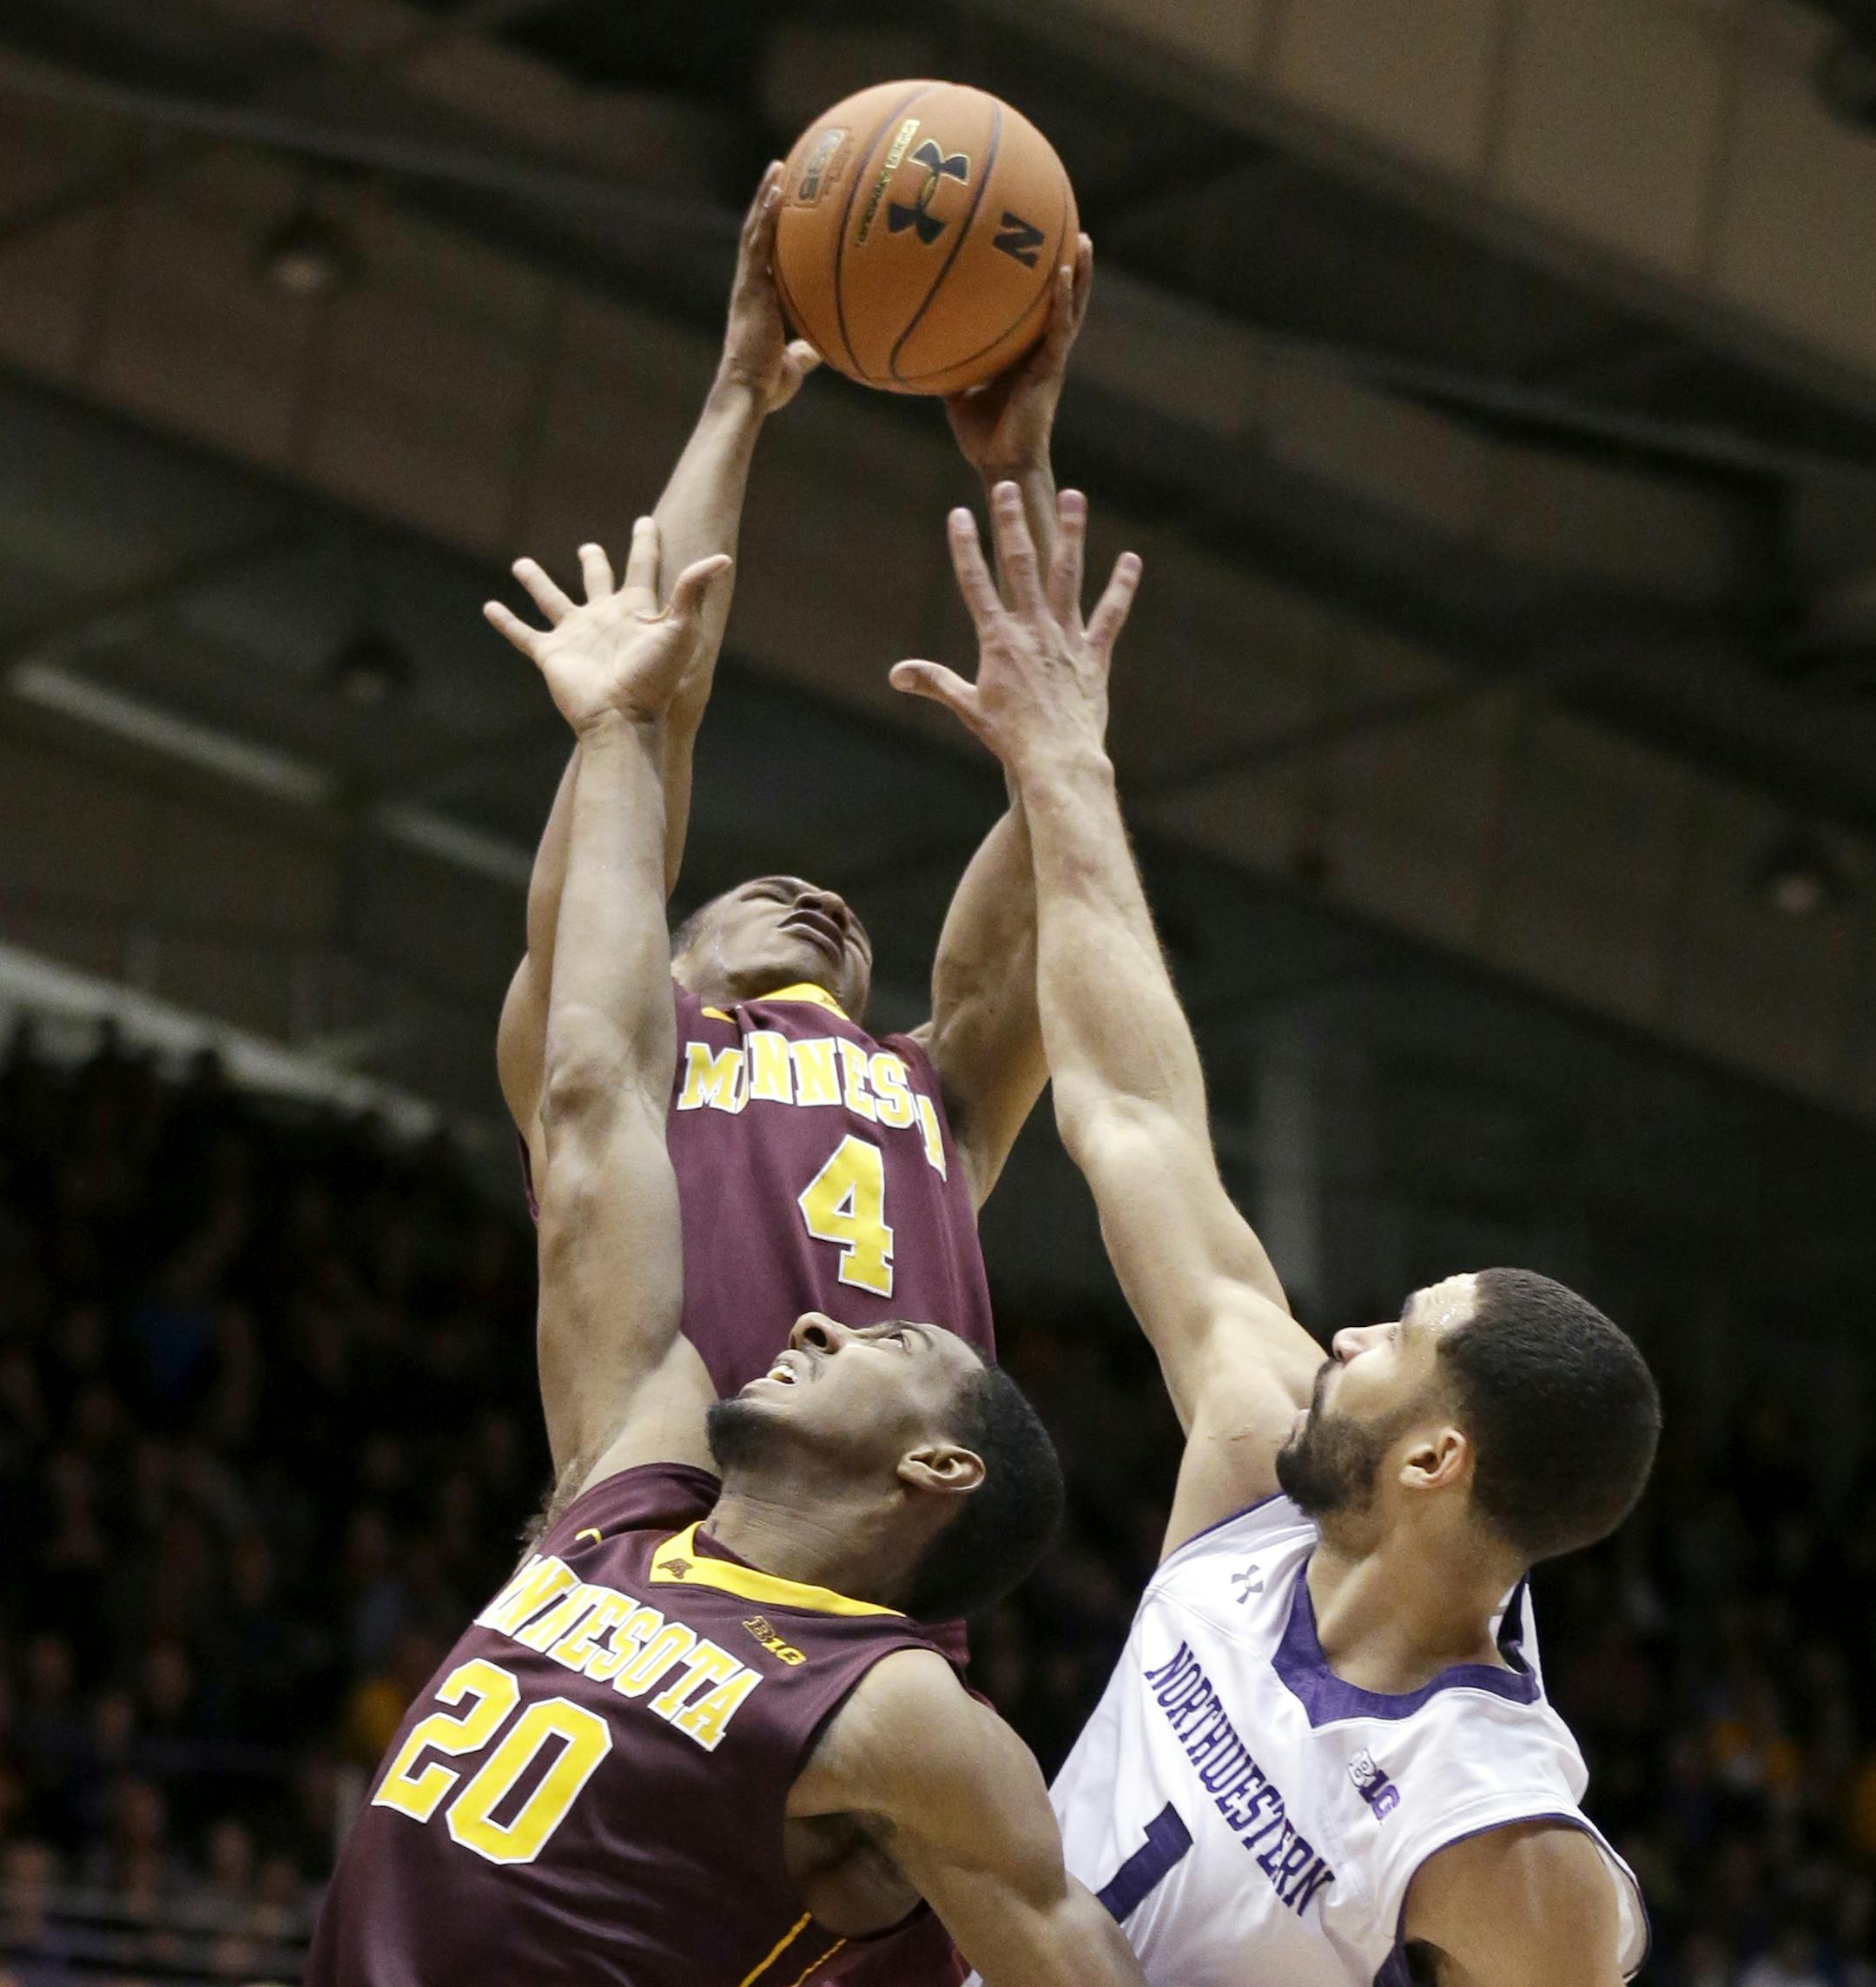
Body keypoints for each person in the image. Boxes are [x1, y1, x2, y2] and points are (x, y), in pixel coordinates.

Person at [307, 520, 1150, 1987]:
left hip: (864, 1626)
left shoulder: (895, 1725)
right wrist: (624, 727)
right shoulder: (632, 1484)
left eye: (875, 1338)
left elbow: (1004, 993)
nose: (812, 1331)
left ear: (941, 1460)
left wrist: (1060, 766)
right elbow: (588, 1073)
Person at [892, 483, 1660, 1986]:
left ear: (1438, 1459)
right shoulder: (1259, 1460)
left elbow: (1585, 1945)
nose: (1354, 1332)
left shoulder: (1496, 1823)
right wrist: (1065, 768)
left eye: (1405, 1337)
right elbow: (1136, 1114)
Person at [497, 162, 1095, 1417]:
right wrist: (736, 394)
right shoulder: (630, 1038)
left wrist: (1020, 471)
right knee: (629, 746)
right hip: (666, 1523)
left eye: (841, 914)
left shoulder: (943, 1095)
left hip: (884, 1555)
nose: (823, 896)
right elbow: (645, 722)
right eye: (765, 893)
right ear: (665, 950)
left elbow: (1062, 786)